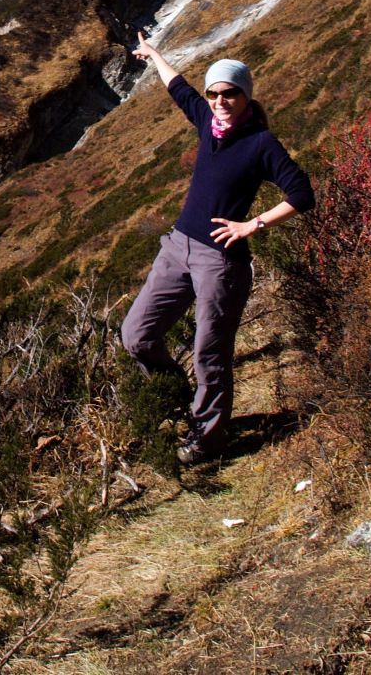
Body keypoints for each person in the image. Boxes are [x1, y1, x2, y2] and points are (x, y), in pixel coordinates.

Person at [121, 31, 315, 465]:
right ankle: (178, 402)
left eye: (230, 93)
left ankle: (206, 441)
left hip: (220, 262)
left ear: (245, 96)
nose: (220, 100)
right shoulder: (207, 123)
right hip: (177, 247)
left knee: (209, 352)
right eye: (214, 93)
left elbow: (302, 193)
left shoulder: (260, 143)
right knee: (135, 335)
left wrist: (253, 225)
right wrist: (154, 55)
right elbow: (178, 88)